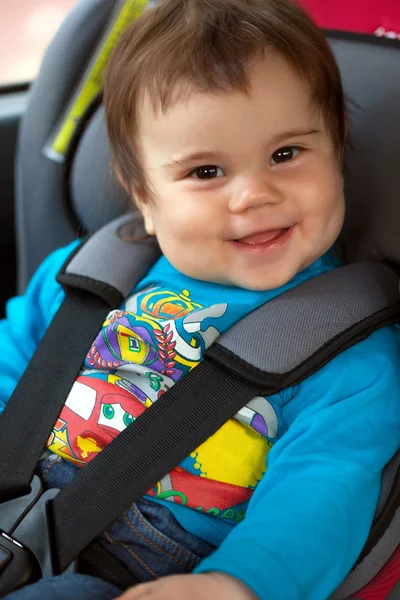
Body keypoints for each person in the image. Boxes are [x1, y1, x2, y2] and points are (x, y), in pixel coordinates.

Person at [1, 0, 400, 599]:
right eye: (207, 172)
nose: (254, 194)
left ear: (336, 153)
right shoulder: (84, 280)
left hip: (147, 578)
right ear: (144, 194)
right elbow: (11, 375)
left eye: (286, 154)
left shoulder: (354, 356)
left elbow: (322, 491)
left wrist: (236, 584)